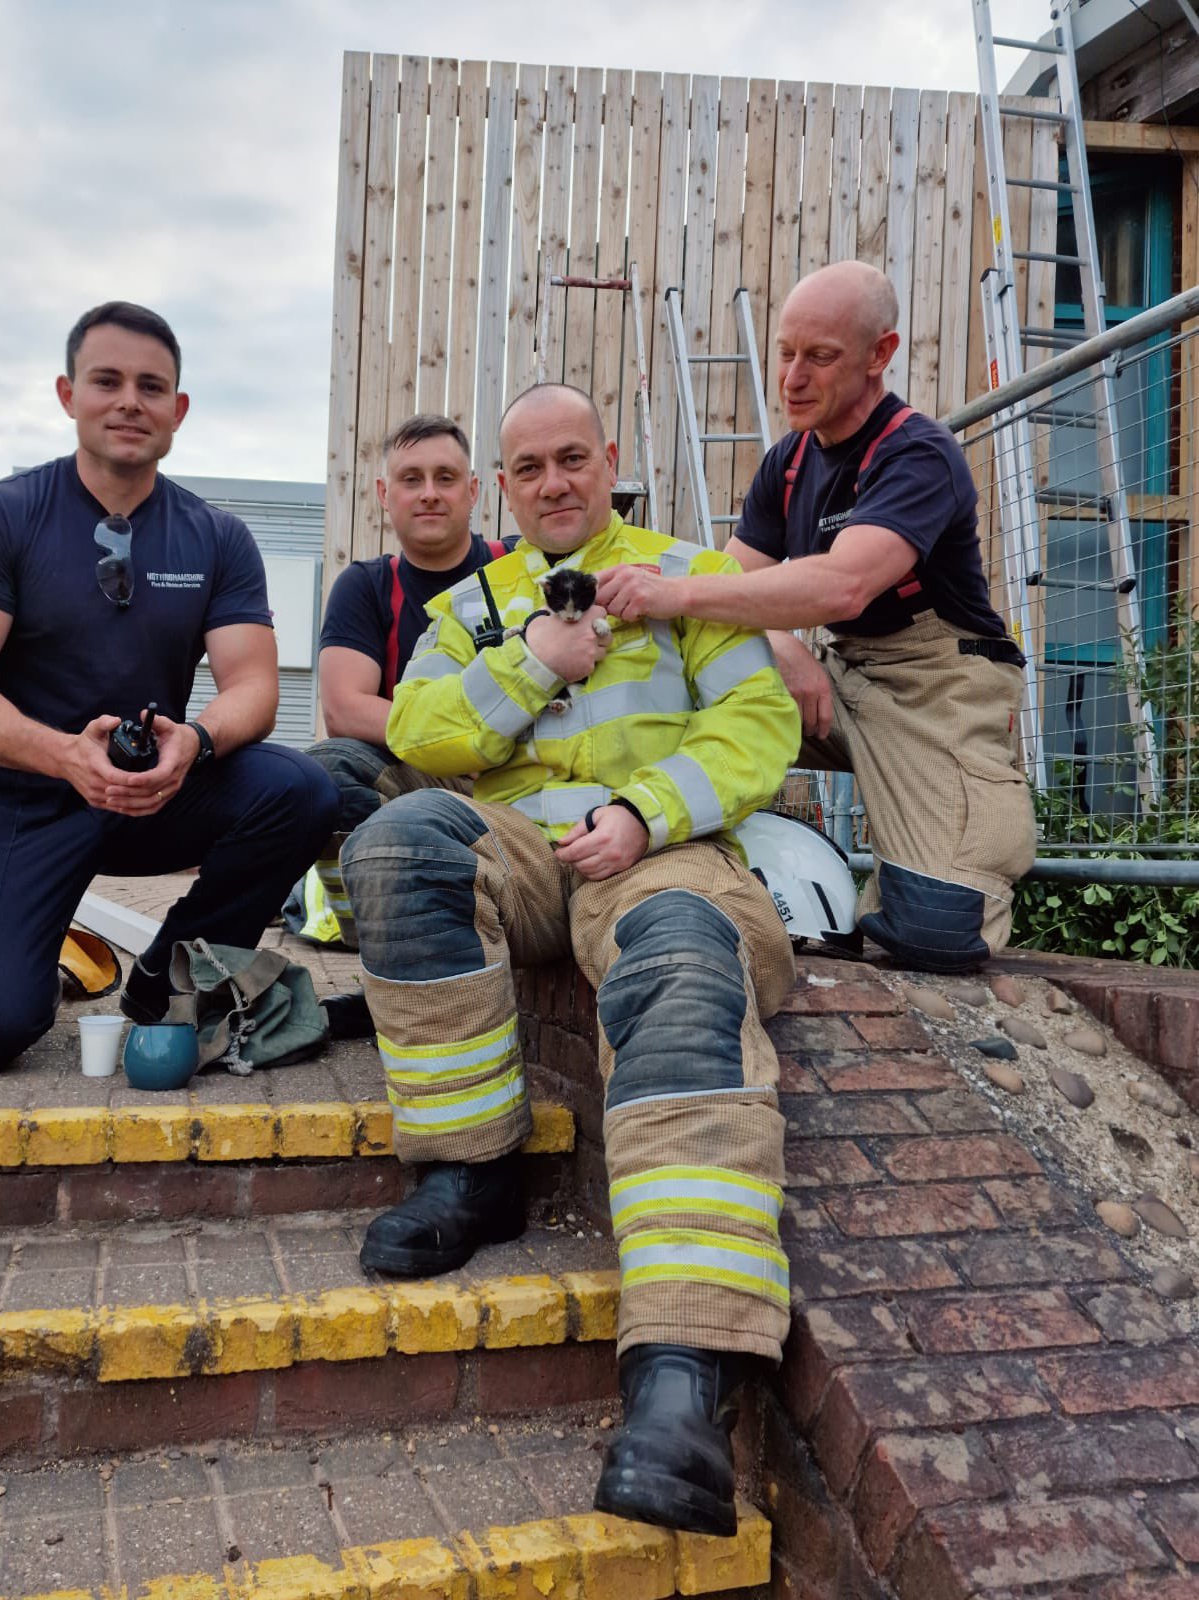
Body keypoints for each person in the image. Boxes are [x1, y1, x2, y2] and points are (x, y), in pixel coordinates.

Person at [339, 383, 801, 1537]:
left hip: (659, 847)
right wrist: (534, 661)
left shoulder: (683, 573)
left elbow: (755, 727)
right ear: (506, 487)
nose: (552, 482)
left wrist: (645, 812)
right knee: (394, 843)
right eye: (528, 467)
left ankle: (681, 1383)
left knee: (685, 960)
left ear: (608, 461)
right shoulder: (477, 602)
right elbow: (418, 732)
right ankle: (471, 1172)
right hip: (521, 842)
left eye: (571, 460)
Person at [0, 301, 338, 1075]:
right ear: (68, 394)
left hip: (151, 790)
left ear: (178, 411)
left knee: (302, 789)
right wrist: (61, 755)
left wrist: (196, 742)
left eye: (151, 386)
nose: (129, 401)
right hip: (22, 795)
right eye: (106, 380)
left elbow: (253, 686)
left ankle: (165, 979)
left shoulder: (217, 536)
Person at [598, 260, 1036, 973]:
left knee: (935, 934)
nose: (793, 377)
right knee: (664, 680)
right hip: (839, 671)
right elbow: (732, 578)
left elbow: (843, 587)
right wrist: (781, 644)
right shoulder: (788, 463)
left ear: (879, 355)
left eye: (820, 357)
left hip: (939, 686)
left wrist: (674, 594)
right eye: (785, 352)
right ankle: (653, 854)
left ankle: (919, 854)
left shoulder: (919, 453)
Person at [304, 414, 506, 950]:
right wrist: (467, 741)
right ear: (383, 494)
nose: (429, 494)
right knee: (324, 773)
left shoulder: (520, 568)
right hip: (431, 774)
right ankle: (371, 944)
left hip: (525, 781)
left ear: (474, 491)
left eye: (446, 477)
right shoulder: (366, 586)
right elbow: (345, 711)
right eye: (411, 479)